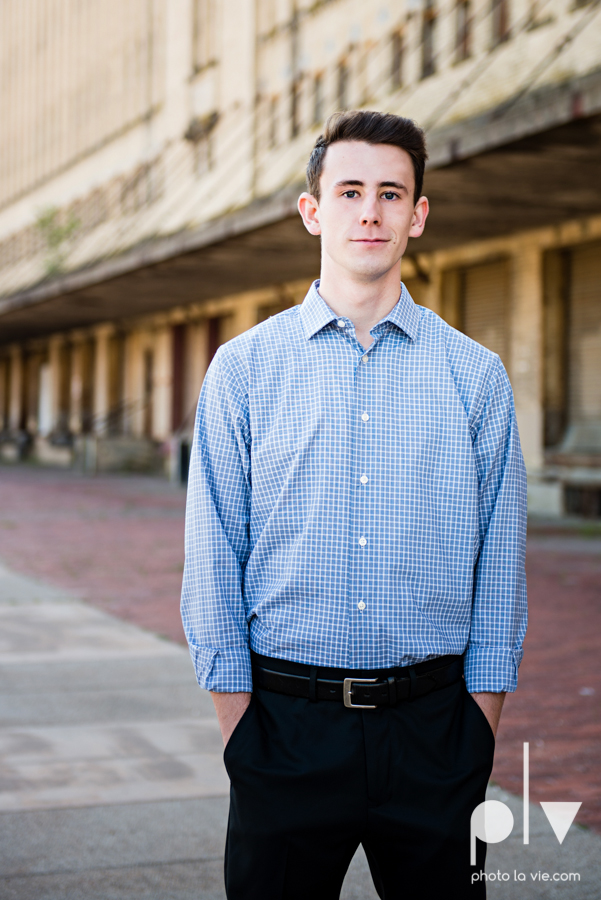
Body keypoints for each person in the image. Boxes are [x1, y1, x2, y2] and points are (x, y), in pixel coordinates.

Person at [181, 109, 527, 900]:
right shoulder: (243, 371)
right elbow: (211, 561)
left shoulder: (475, 377)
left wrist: (477, 726)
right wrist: (242, 734)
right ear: (312, 211)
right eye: (347, 192)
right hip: (284, 730)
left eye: (389, 193)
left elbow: (500, 567)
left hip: (436, 732)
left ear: (417, 214)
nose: (368, 211)